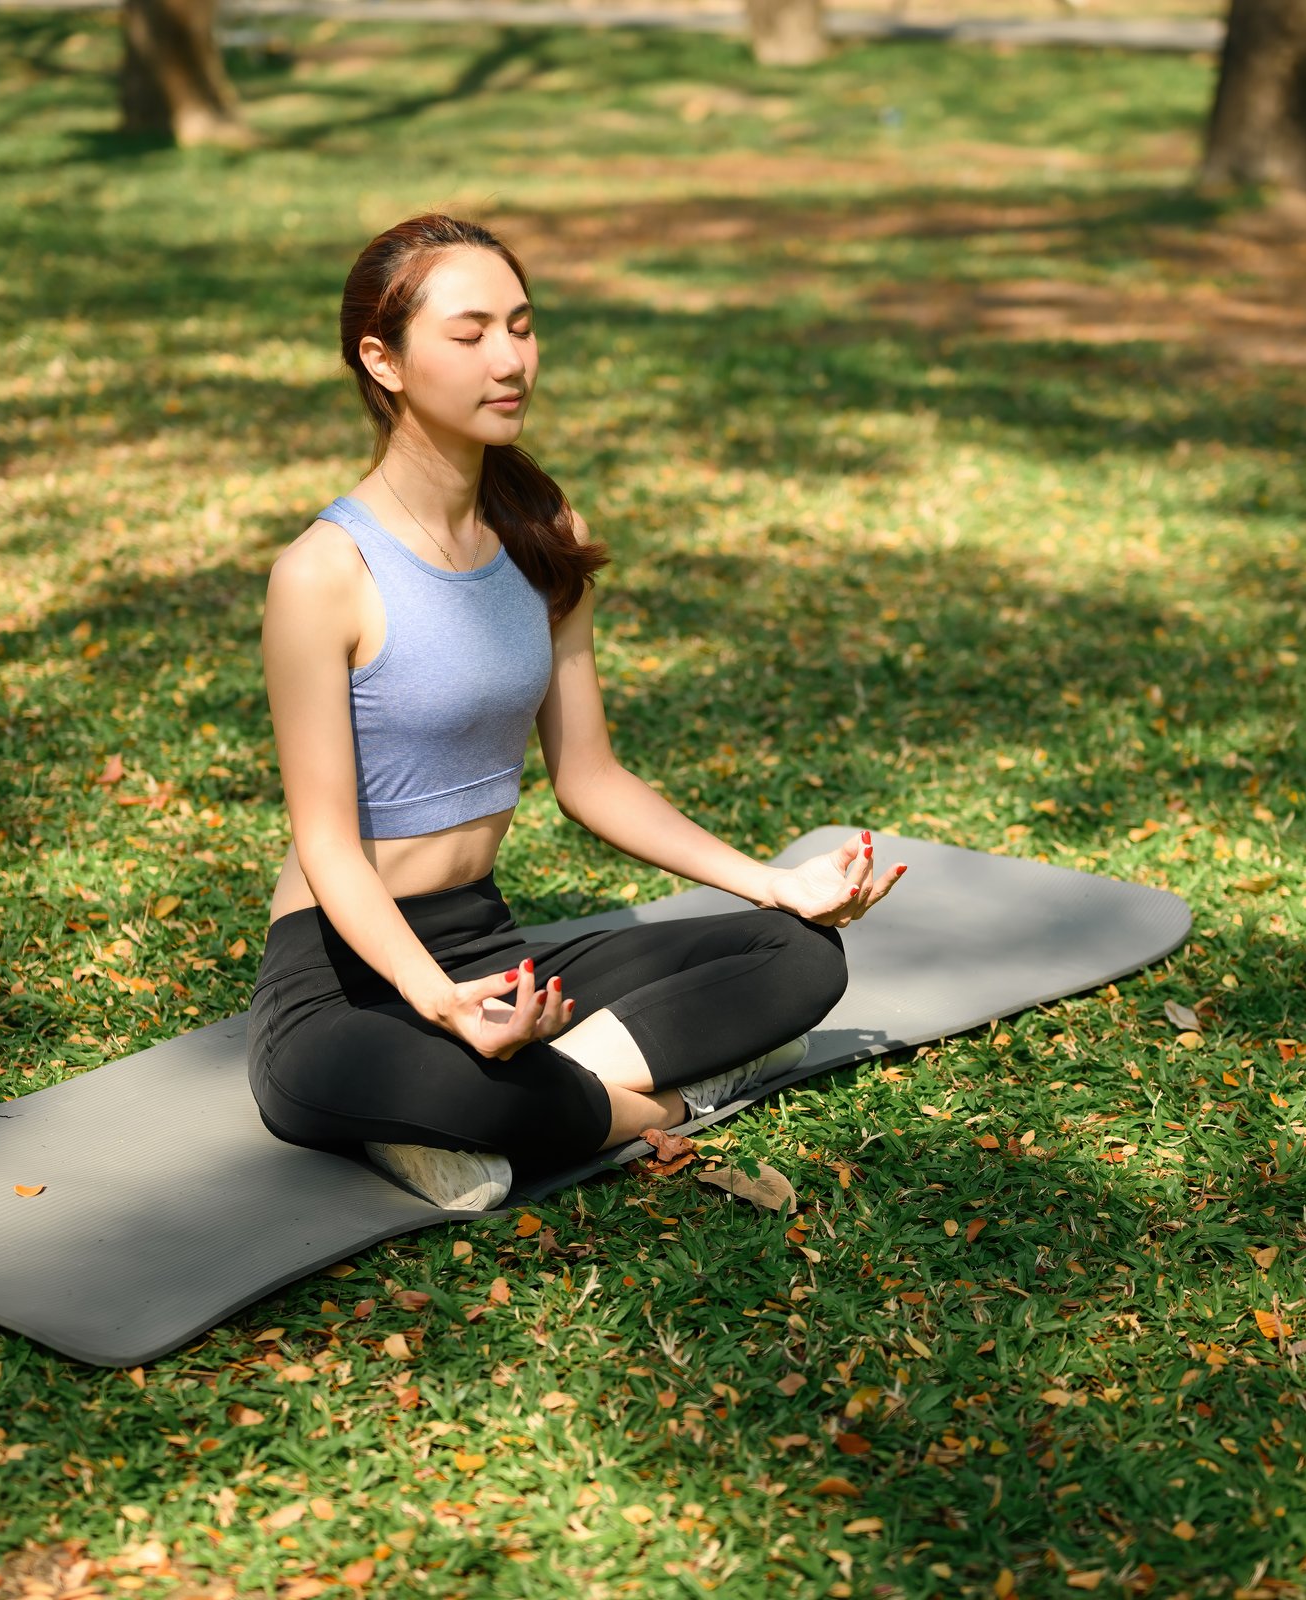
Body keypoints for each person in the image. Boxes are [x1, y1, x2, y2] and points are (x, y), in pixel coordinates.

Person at [246, 213, 908, 1213]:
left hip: (488, 941)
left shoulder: (544, 535)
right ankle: (639, 1108)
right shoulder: (321, 573)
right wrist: (442, 1003)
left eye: (522, 325)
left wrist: (775, 886)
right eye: (470, 335)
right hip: (346, 970)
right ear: (382, 360)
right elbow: (327, 842)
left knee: (800, 957)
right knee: (423, 1072)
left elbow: (590, 778)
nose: (510, 359)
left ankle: (528, 1106)